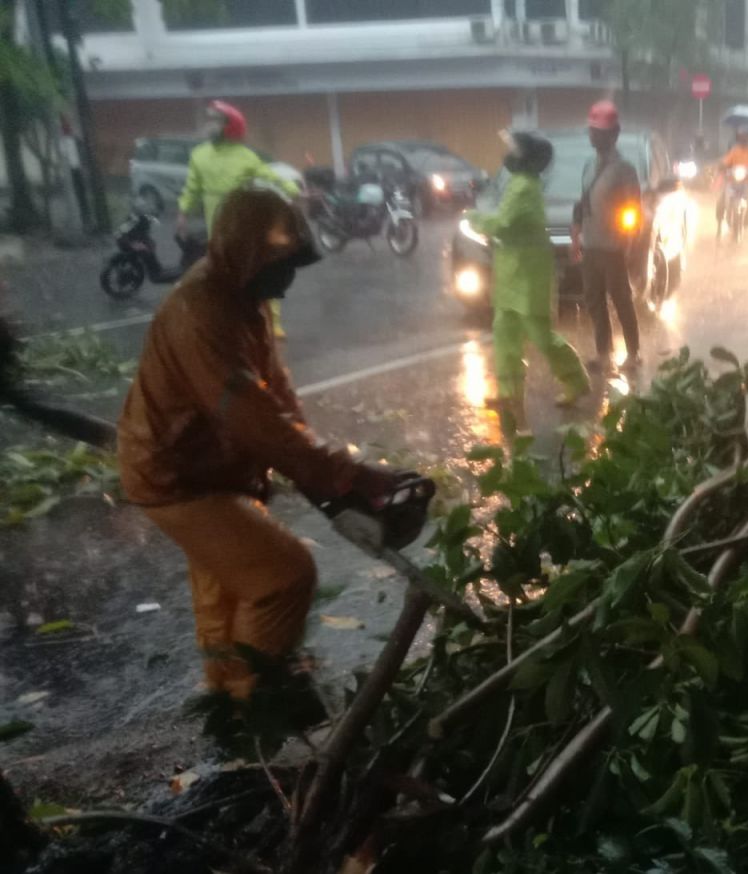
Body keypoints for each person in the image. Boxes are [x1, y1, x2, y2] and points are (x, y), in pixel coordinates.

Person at [117, 188, 400, 701]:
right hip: (177, 476)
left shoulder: (242, 299)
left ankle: (224, 687)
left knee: (227, 582)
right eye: (282, 266)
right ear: (249, 256)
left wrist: (320, 462)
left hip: (207, 469)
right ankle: (259, 697)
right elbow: (254, 418)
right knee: (283, 576)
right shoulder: (202, 312)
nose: (288, 282)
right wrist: (347, 474)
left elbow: (275, 392)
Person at [466, 131, 589, 430]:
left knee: (540, 335)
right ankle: (509, 394)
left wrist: (473, 218)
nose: (508, 152)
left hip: (528, 275)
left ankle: (576, 381)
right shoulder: (518, 183)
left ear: (525, 157)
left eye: (513, 148)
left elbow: (503, 223)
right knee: (504, 332)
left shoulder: (524, 187)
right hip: (511, 271)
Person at [177, 100, 300, 339]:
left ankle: (272, 322)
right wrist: (183, 212)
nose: (210, 125)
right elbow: (191, 187)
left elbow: (269, 174)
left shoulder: (246, 156)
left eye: (216, 120)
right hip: (218, 228)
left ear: (230, 126)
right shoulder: (199, 156)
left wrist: (292, 190)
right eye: (209, 119)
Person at [572, 100, 643, 372]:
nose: (594, 136)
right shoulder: (589, 166)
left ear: (614, 134)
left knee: (621, 300)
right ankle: (603, 354)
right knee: (594, 301)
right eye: (592, 131)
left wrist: (629, 243)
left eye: (600, 132)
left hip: (613, 248)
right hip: (591, 245)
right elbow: (582, 202)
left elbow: (633, 209)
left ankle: (633, 353)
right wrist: (576, 235)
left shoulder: (624, 169)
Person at [716, 127, 748, 241]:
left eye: (746, 136)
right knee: (721, 200)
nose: (744, 139)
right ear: (738, 138)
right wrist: (722, 166)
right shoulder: (734, 151)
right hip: (733, 181)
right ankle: (718, 225)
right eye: (741, 136)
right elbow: (725, 162)